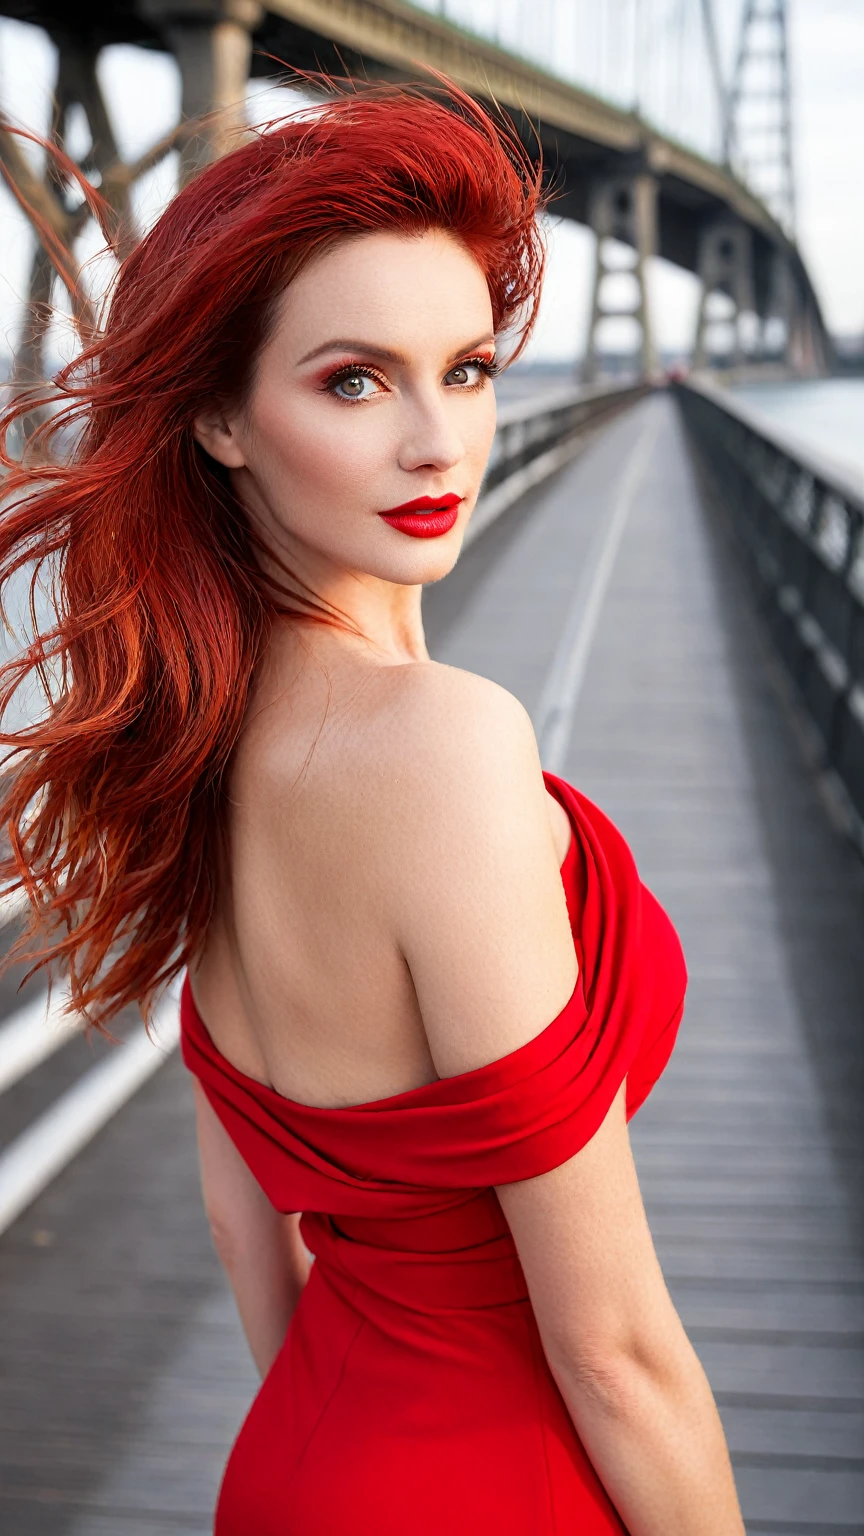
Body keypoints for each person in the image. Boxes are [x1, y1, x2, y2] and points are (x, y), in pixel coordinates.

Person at [0, 81, 744, 1536]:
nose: (438, 444)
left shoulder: (190, 743)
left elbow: (247, 1228)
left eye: (465, 371)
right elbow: (616, 1353)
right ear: (217, 415)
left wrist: (342, 1458)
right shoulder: (446, 750)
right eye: (354, 381)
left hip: (303, 1457)